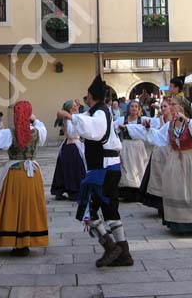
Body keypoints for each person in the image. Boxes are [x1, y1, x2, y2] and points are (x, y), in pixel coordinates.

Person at [57, 75, 132, 268]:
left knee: (88, 210)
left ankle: (111, 247)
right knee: (109, 209)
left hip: (104, 168)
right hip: (106, 166)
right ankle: (124, 253)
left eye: (87, 96)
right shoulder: (99, 111)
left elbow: (95, 131)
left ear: (92, 96)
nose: (85, 99)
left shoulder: (100, 112)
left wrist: (70, 116)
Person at [125, 97, 192, 235]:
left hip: (191, 160)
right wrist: (148, 129)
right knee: (177, 190)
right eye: (170, 104)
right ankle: (179, 223)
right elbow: (159, 138)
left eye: (173, 104)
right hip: (174, 160)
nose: (171, 107)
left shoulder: (191, 123)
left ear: (182, 107)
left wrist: (187, 120)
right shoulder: (170, 125)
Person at [0, 101, 48, 256]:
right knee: (30, 206)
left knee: (12, 205)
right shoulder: (38, 132)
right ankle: (27, 240)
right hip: (32, 175)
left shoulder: (9, 133)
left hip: (14, 174)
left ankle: (15, 240)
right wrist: (34, 119)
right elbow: (42, 127)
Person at [113, 99, 150, 202]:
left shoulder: (142, 120)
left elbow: (151, 128)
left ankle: (140, 190)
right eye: (132, 106)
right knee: (127, 168)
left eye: (136, 107)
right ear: (128, 108)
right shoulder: (122, 119)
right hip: (126, 145)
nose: (134, 108)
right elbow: (113, 128)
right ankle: (127, 192)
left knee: (139, 167)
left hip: (138, 145)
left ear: (138, 109)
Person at [51, 100, 86, 201]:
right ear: (70, 109)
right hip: (72, 145)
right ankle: (73, 191)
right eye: (74, 106)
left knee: (64, 168)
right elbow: (71, 133)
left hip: (73, 145)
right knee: (74, 169)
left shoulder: (73, 117)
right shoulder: (68, 118)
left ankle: (61, 190)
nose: (77, 107)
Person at [138, 99, 169, 214]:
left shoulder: (174, 121)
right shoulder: (158, 120)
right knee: (158, 177)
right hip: (159, 152)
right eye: (161, 107)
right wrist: (148, 128)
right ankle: (160, 204)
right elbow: (152, 132)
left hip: (170, 153)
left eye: (165, 106)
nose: (163, 109)